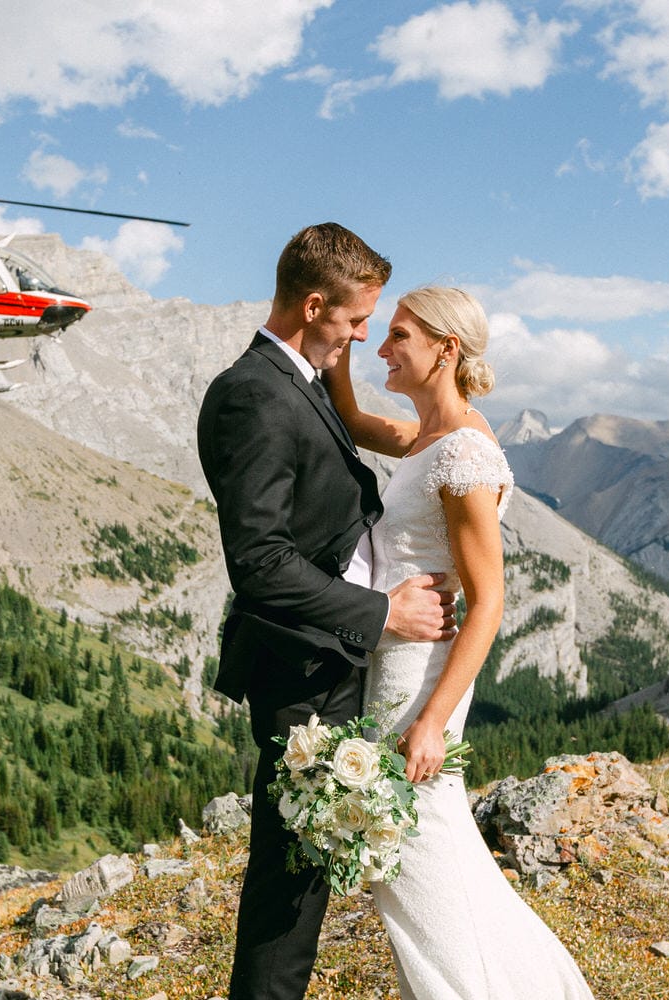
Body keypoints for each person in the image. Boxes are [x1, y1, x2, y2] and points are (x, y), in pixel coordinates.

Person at [196, 224, 459, 1000]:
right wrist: (383, 614)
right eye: (352, 322)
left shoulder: (300, 380)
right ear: (314, 307)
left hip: (328, 662)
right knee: (288, 887)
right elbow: (261, 563)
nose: (361, 336)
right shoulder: (252, 395)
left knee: (301, 879)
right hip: (301, 671)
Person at [324, 285, 595, 998]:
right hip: (393, 665)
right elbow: (349, 418)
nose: (382, 347)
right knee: (419, 857)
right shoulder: (429, 439)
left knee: (411, 857)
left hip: (420, 680)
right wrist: (341, 339)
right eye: (378, 334)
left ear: (446, 349)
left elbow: (491, 601)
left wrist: (433, 723)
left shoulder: (466, 453)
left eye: (398, 336)